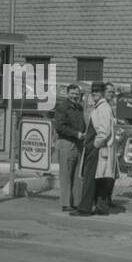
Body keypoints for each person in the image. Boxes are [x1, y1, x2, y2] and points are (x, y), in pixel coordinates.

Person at [75, 82, 118, 216]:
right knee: (99, 179)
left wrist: (95, 145)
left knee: (90, 179)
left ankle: (85, 208)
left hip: (96, 148)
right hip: (96, 147)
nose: (94, 93)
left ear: (103, 92)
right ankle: (101, 208)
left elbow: (104, 131)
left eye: (98, 91)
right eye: (93, 91)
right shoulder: (100, 106)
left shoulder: (103, 108)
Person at [52, 83, 85, 212]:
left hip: (78, 143)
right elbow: (60, 126)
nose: (75, 96)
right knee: (66, 174)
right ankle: (66, 204)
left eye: (77, 94)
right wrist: (76, 133)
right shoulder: (62, 107)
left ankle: (76, 202)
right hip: (66, 142)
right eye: (72, 93)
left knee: (77, 174)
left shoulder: (79, 108)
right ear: (67, 94)